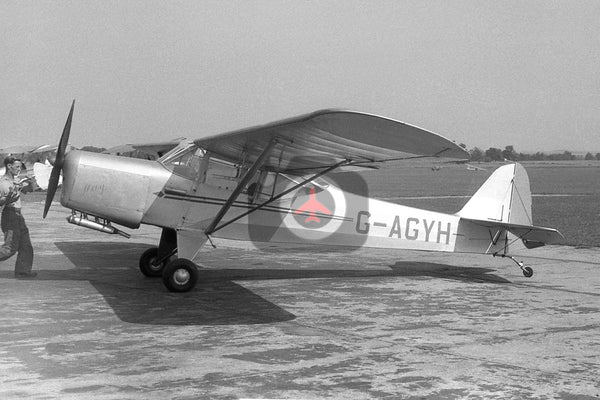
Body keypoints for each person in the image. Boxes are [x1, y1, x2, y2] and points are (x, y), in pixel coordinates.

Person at [0, 156, 35, 278]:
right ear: (9, 166)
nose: (19, 169)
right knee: (9, 249)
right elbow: (2, 201)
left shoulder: (15, 181)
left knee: (26, 245)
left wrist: (31, 182)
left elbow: (29, 190)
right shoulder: (4, 183)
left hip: (18, 215)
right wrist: (8, 198)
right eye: (17, 167)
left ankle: (23, 271)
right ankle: (22, 270)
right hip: (10, 215)